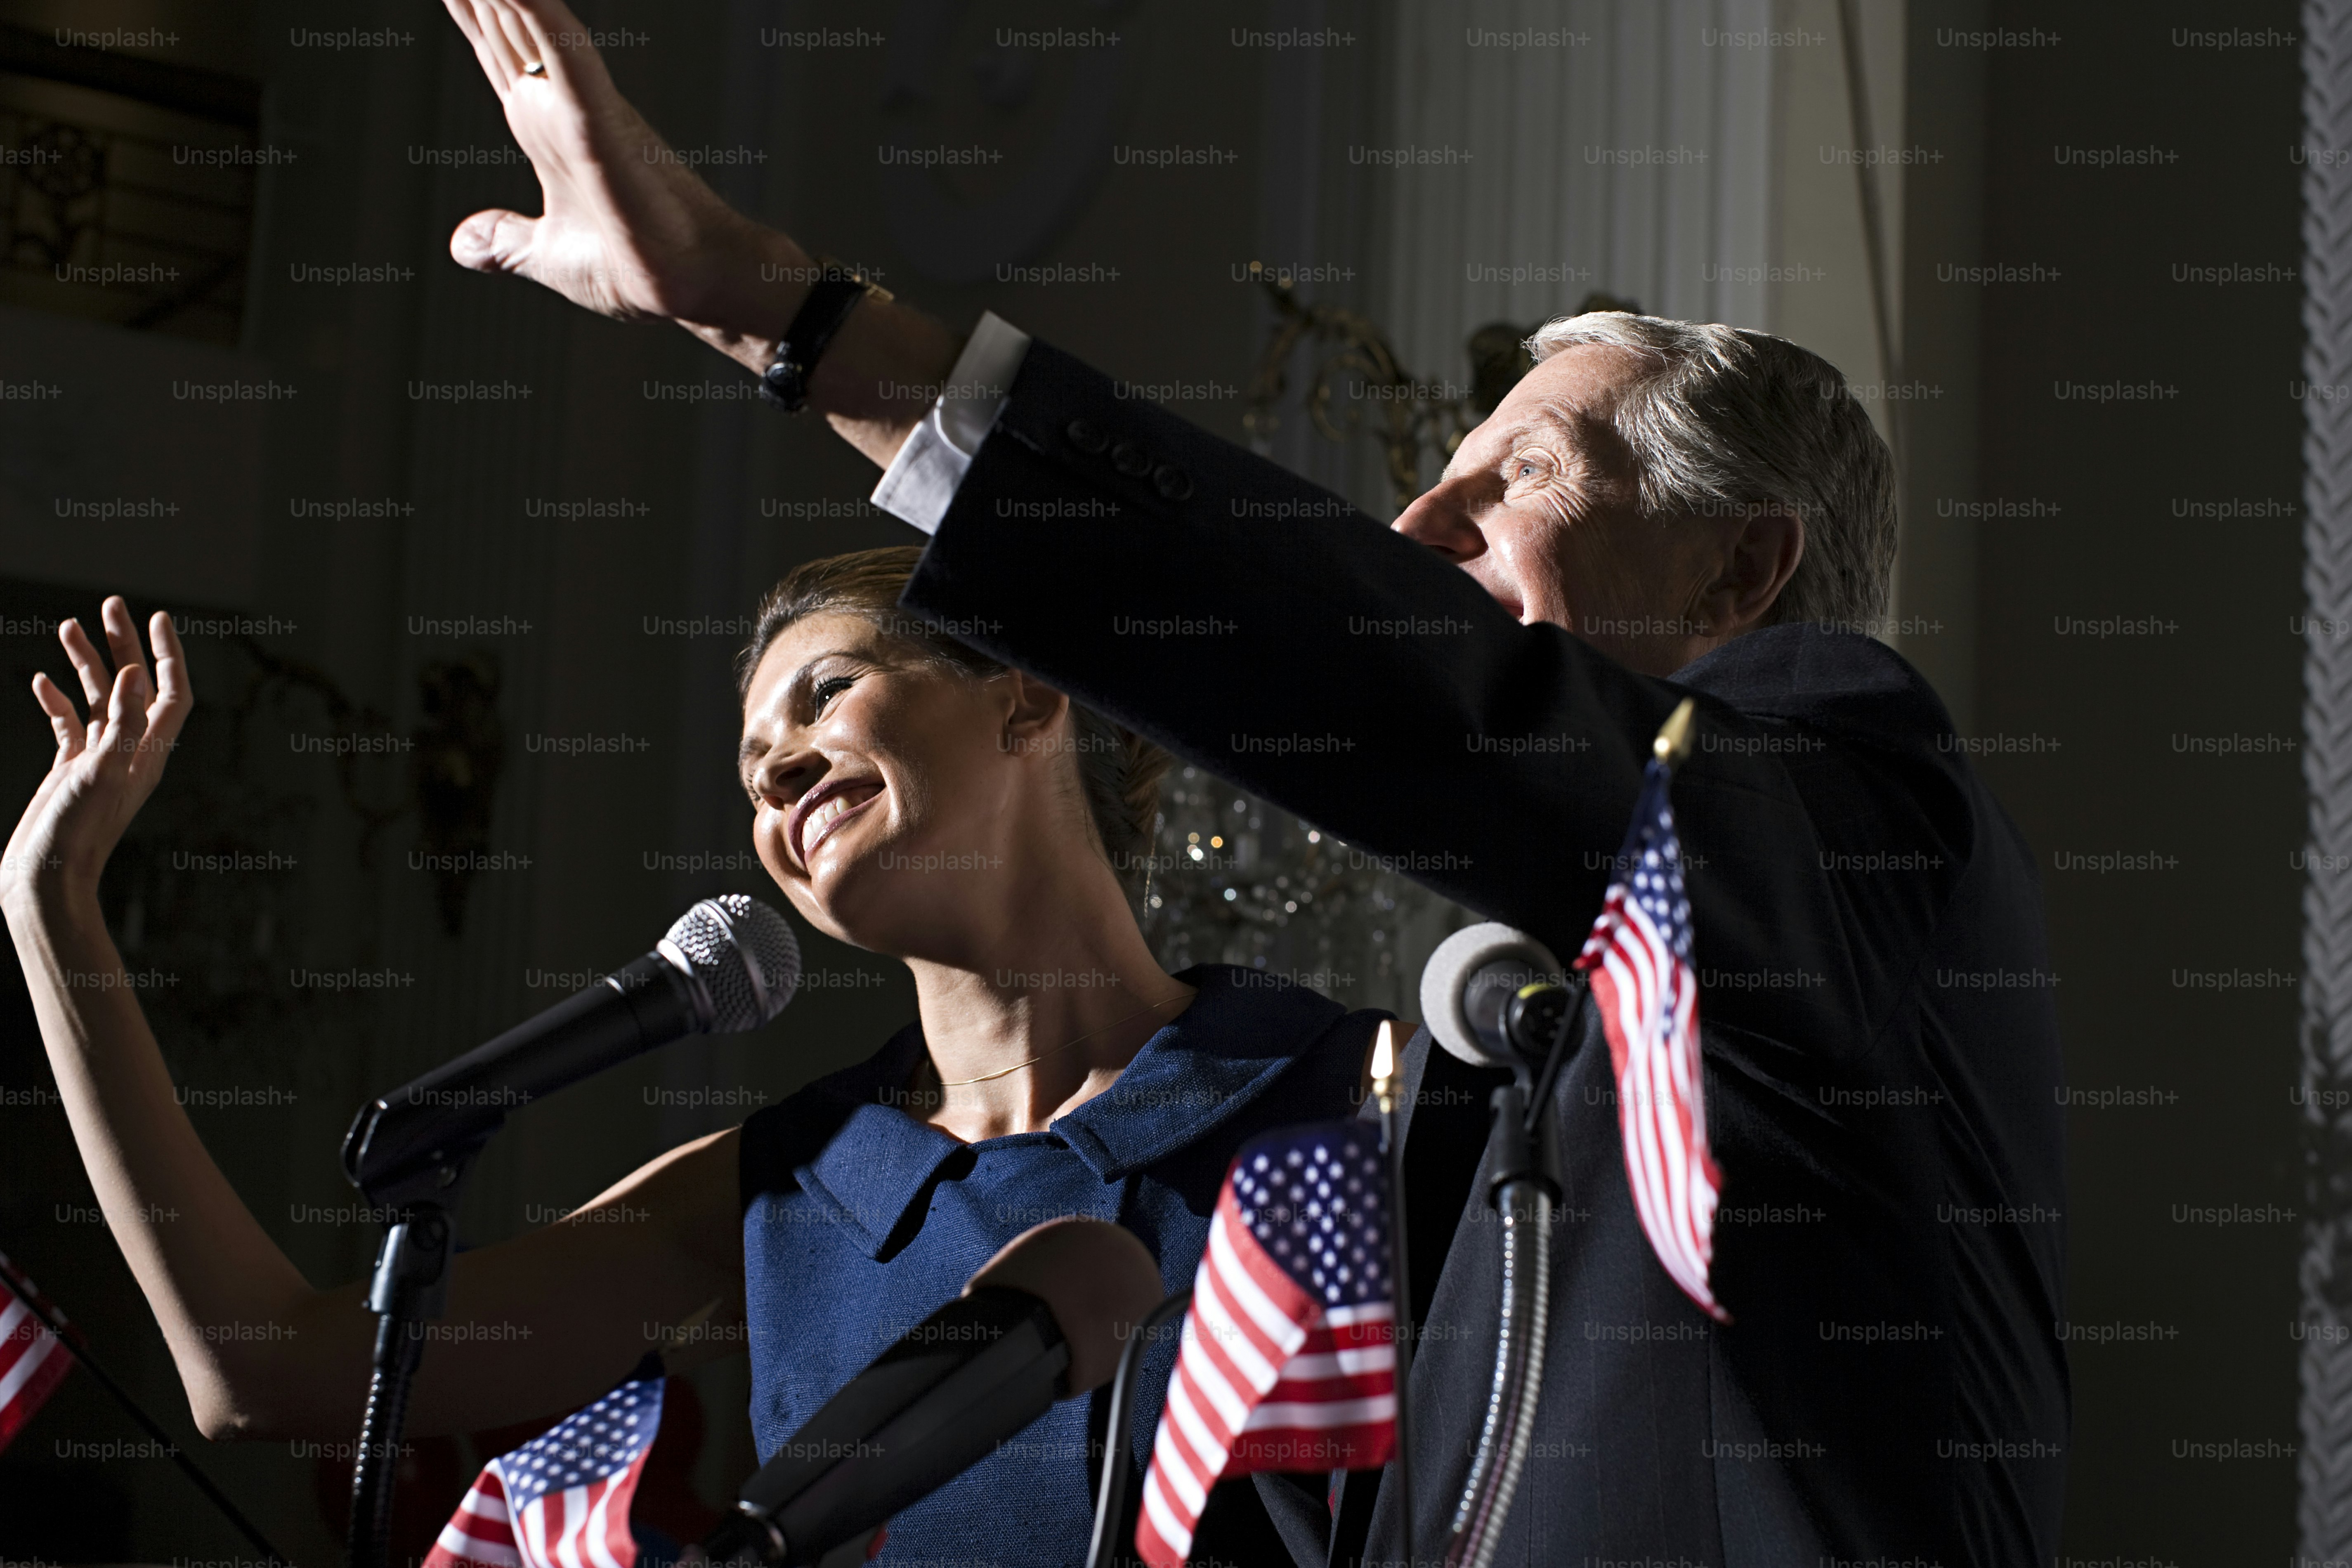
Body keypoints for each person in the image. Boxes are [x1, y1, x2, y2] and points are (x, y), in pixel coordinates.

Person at [420, 2, 2073, 1563]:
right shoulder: (1492, 1076)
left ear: (1735, 574)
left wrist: (782, 311)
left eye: (1513, 478)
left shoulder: (1850, 791)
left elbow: (1419, 681)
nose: (1423, 526)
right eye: (1430, 484)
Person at [0, 549, 1397, 1566]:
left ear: (1025, 700)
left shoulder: (1344, 1091)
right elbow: (264, 1372)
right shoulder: (798, 1182)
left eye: (825, 694)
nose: (777, 772)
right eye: (748, 773)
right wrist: (52, 910)